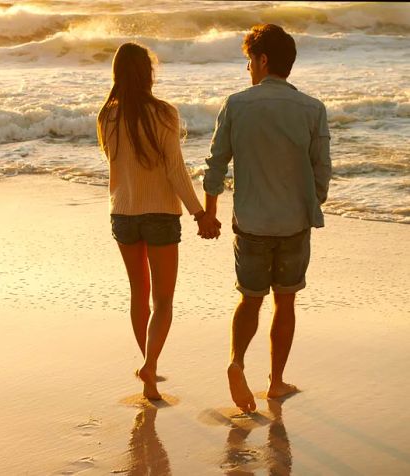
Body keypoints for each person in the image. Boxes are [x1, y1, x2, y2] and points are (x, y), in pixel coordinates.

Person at [202, 24, 332, 412]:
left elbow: (215, 167)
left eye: (249, 62)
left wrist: (209, 215)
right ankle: (275, 383)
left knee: (250, 300)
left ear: (262, 60)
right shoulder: (313, 108)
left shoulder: (236, 105)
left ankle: (237, 363)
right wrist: (312, 204)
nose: (248, 70)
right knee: (285, 302)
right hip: (293, 222)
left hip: (251, 223)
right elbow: (321, 169)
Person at [97, 42, 221, 400]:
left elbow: (116, 169)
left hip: (122, 213)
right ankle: (150, 365)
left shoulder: (107, 116)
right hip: (161, 215)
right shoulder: (165, 113)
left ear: (118, 74)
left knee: (140, 293)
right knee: (163, 301)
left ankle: (148, 371)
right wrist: (199, 213)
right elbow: (174, 170)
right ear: (148, 72)